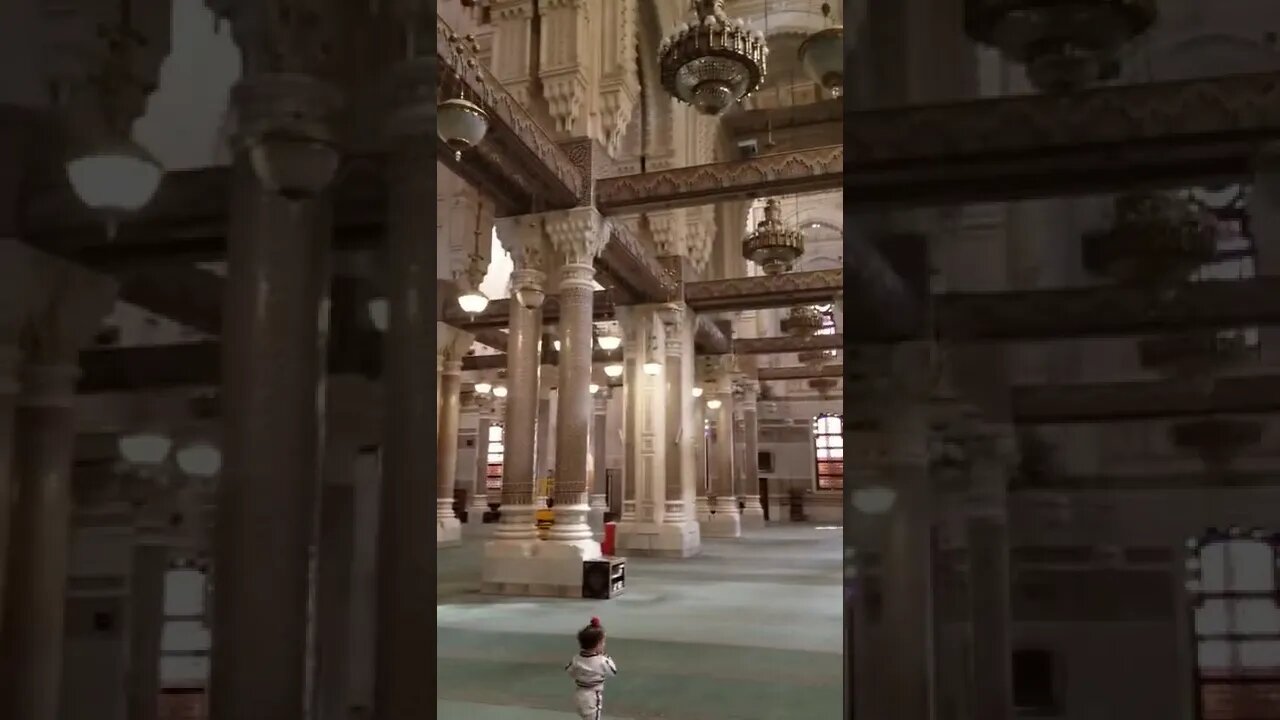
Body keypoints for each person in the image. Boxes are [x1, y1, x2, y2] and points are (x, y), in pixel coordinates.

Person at [565, 616, 618, 719]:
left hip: (579, 694)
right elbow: (613, 671)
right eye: (603, 642)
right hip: (593, 695)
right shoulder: (602, 661)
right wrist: (605, 656)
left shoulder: (576, 659)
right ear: (598, 645)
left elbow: (569, 670)